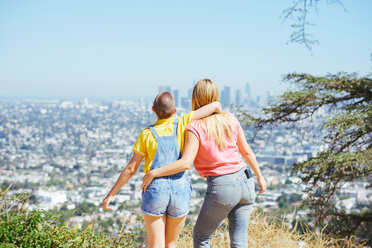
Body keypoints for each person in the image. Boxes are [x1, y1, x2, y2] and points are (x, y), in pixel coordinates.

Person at [142, 79, 267, 248]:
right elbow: (246, 151)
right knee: (239, 240)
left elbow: (185, 163)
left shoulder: (195, 127)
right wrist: (260, 176)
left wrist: (153, 173)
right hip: (246, 181)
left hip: (222, 186)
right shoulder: (230, 118)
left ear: (195, 99)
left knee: (202, 238)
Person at [102, 91, 221, 248]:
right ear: (175, 110)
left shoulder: (146, 135)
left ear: (153, 109)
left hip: (155, 191)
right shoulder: (182, 123)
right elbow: (215, 105)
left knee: (155, 244)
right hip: (180, 189)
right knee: (171, 244)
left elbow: (131, 169)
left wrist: (111, 194)